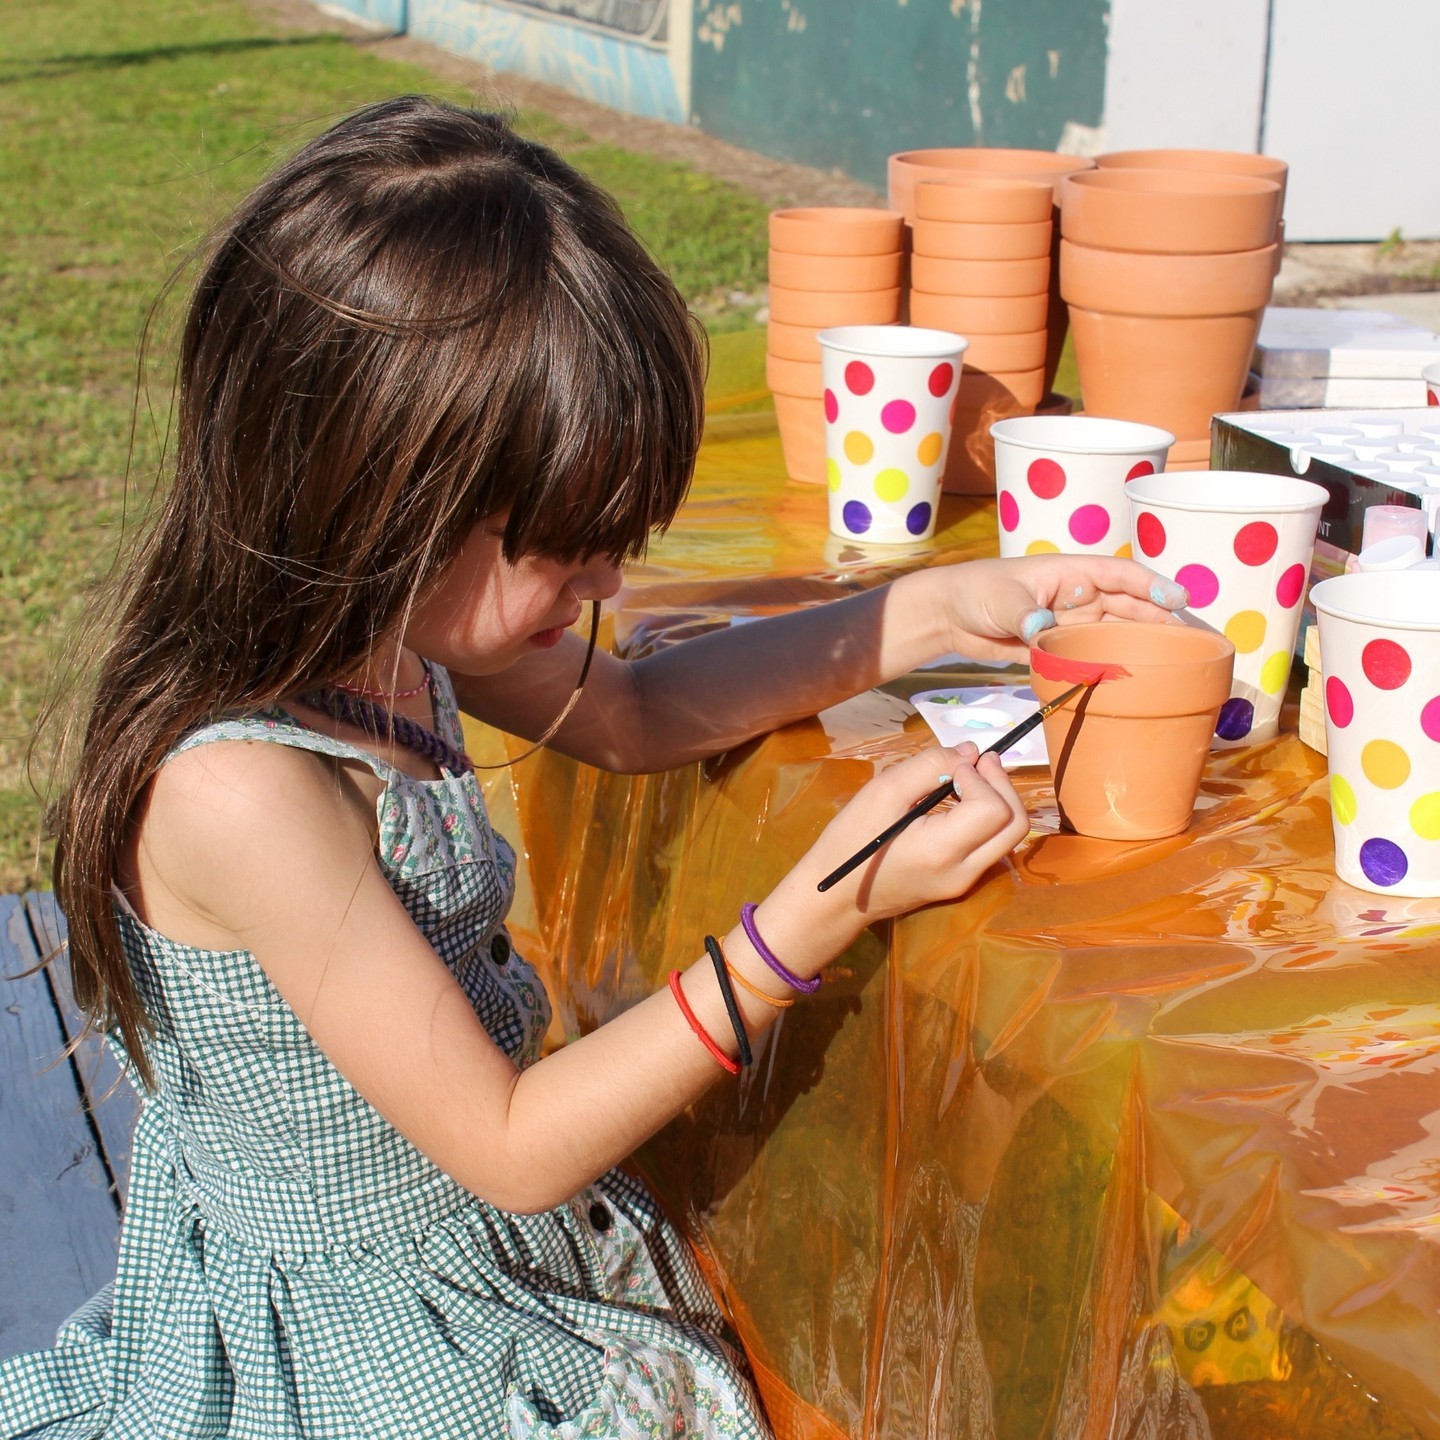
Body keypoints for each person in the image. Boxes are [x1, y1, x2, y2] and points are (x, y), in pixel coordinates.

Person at [0, 95, 1188, 1439]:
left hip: (459, 1229)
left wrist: (930, 611)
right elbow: (511, 1149)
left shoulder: (385, 627)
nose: (612, 581)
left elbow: (633, 716)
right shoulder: (244, 791)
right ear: (385, 496)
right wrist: (828, 901)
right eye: (567, 548)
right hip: (367, 1317)